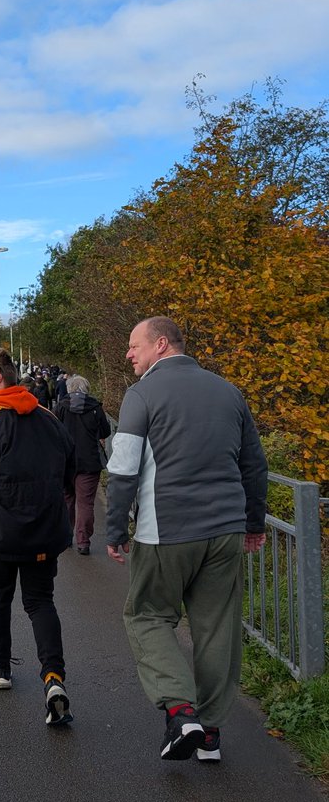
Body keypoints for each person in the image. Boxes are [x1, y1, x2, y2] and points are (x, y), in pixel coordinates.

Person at [106, 316, 268, 764]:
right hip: (226, 530)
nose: (128, 353)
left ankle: (181, 712)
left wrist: (116, 529)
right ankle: (211, 734)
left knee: (146, 615)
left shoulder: (141, 395)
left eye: (134, 345)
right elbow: (254, 464)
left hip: (167, 530)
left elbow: (122, 471)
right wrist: (253, 522)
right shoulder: (227, 391)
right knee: (217, 627)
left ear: (161, 344)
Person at [0, 348, 76, 725]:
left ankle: (0, 668)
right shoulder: (48, 418)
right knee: (41, 602)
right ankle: (53, 677)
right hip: (45, 533)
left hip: (1, 534)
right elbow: (70, 469)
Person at [58, 375, 111, 555]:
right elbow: (106, 430)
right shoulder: (95, 408)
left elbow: (54, 430)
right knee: (86, 503)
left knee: (67, 500)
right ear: (87, 388)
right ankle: (83, 541)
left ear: (69, 388)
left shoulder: (62, 407)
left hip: (66, 461)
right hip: (89, 462)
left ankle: (65, 537)